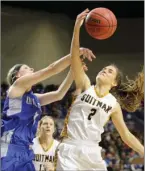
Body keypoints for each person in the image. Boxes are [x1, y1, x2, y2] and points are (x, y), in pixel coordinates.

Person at [55, 9, 144, 171]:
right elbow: (74, 56)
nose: (104, 70)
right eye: (104, 68)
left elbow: (126, 135)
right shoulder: (84, 85)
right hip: (70, 148)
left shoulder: (113, 104)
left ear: (115, 83)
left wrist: (143, 151)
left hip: (92, 152)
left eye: (110, 71)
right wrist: (77, 27)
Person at [1, 48, 92, 171]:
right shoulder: (17, 86)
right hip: (10, 147)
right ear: (18, 75)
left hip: (26, 150)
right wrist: (76, 54)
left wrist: (73, 71)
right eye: (27, 68)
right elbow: (52, 68)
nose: (32, 69)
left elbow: (58, 94)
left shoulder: (34, 98)